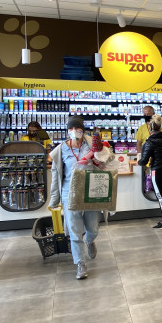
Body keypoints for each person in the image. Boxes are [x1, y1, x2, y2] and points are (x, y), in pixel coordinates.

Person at [48, 116, 100, 280]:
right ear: (67, 131)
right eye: (70, 129)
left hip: (90, 191)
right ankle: (80, 264)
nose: (73, 132)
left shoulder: (92, 145)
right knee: (74, 231)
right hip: (69, 192)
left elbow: (107, 162)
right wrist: (54, 199)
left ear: (82, 130)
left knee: (92, 227)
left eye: (76, 129)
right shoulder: (60, 149)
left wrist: (99, 157)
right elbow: (56, 175)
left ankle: (90, 240)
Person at [138, 114, 162, 229]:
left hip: (157, 170)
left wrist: (139, 162)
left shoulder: (149, 142)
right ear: (161, 127)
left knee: (160, 195)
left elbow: (144, 161)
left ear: (150, 128)